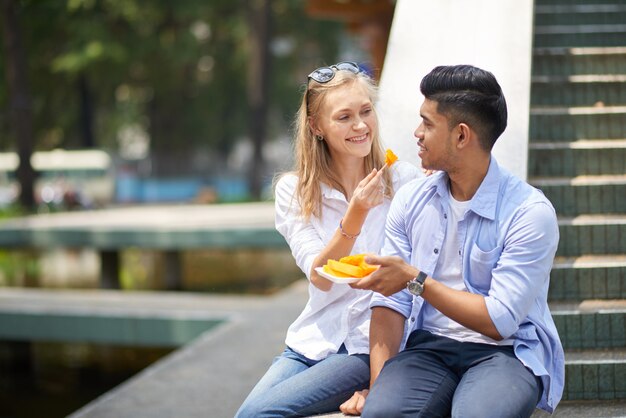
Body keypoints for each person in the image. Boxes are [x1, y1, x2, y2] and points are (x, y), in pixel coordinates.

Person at [340, 64, 565, 418]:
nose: (416, 133)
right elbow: (390, 303)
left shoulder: (529, 212)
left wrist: (415, 280)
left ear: (461, 136)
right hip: (428, 348)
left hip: (505, 352)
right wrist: (379, 387)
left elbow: (499, 320)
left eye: (427, 123)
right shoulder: (412, 200)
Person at [235, 62, 421, 417]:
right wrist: (356, 214)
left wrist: (379, 382)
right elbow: (319, 275)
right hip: (311, 340)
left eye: (366, 111)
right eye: (344, 117)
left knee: (257, 415)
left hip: (366, 347)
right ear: (317, 126)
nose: (361, 126)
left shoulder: (404, 181)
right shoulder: (295, 191)